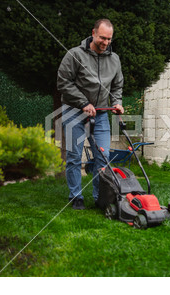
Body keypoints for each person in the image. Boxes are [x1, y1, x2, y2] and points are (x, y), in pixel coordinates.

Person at [57, 19, 124, 210]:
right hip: (73, 111)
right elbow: (63, 82)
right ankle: (76, 196)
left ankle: (99, 198)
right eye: (102, 38)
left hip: (101, 114)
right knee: (74, 156)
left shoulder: (114, 59)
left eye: (109, 39)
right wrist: (83, 102)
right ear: (93, 33)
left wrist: (117, 102)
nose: (105, 42)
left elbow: (117, 85)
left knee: (102, 158)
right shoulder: (75, 54)